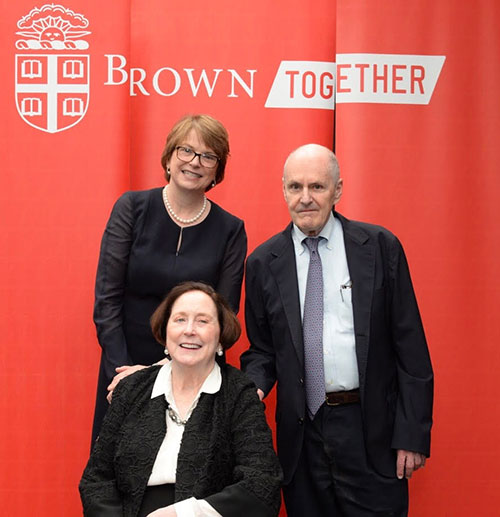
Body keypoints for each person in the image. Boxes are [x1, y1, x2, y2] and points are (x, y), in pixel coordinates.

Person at [240, 144, 433, 516]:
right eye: (295, 187)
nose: (306, 198)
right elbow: (262, 351)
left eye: (317, 187)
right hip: (302, 436)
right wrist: (251, 391)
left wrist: (411, 434)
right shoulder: (263, 263)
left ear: (338, 190)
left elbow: (410, 347)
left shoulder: (379, 247)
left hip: (370, 431)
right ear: (283, 191)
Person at [92, 114, 247, 443]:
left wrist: (167, 373)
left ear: (217, 169)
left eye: (208, 156)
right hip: (123, 372)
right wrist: (126, 374)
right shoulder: (132, 208)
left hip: (195, 378)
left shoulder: (231, 230)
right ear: (169, 155)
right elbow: (107, 301)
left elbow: (224, 316)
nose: (195, 162)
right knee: (118, 480)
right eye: (186, 150)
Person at [80, 281, 282, 517]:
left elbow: (262, 485)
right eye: (180, 319)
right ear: (165, 331)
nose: (189, 330)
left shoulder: (239, 394)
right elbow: (96, 480)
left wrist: (182, 514)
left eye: (203, 321)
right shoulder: (131, 388)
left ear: (220, 337)